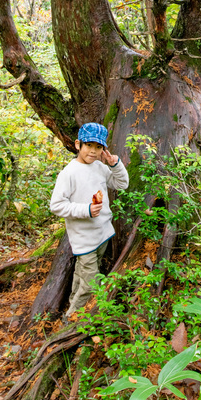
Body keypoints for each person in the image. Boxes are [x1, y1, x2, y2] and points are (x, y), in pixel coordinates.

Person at [50, 122, 129, 316]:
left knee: (82, 275)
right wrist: (85, 210)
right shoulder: (69, 173)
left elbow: (122, 184)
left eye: (98, 147)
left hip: (102, 234)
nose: (93, 152)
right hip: (83, 239)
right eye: (89, 145)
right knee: (90, 282)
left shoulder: (100, 168)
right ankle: (72, 319)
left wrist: (115, 165)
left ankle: (71, 304)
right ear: (78, 145)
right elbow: (56, 205)